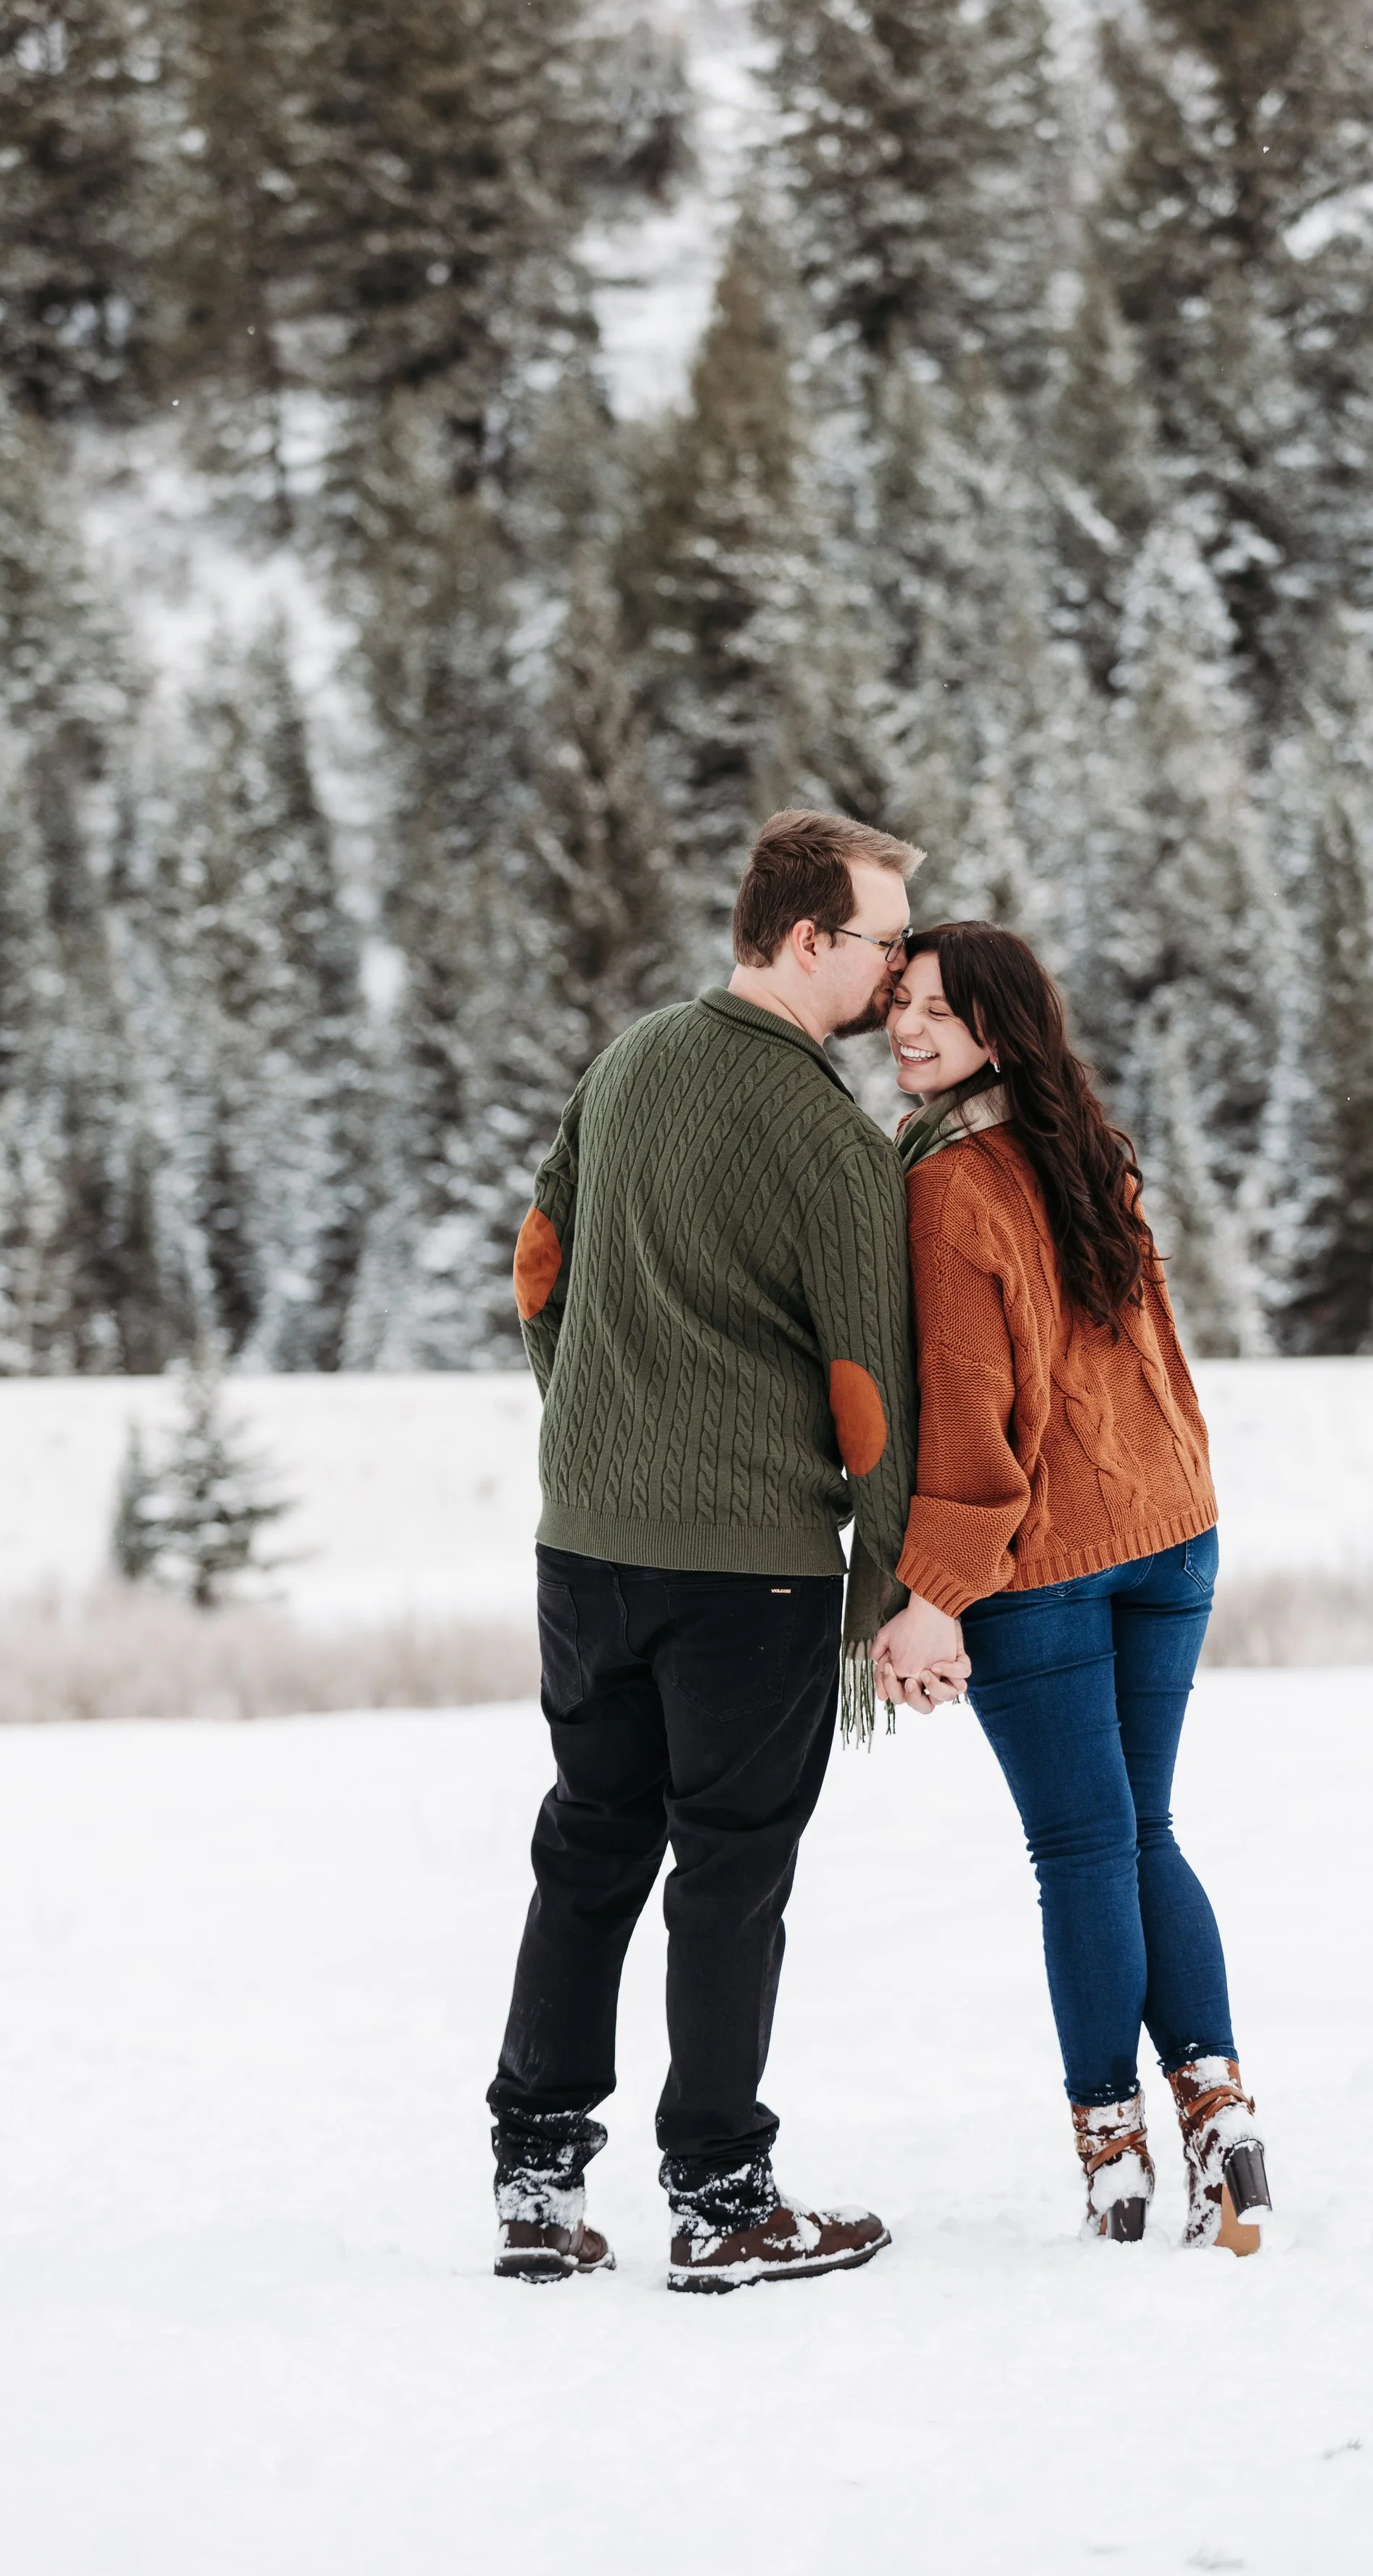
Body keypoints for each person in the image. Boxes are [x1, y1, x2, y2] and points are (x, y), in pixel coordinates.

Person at [489, 810, 925, 2292]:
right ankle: (721, 2198)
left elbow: (537, 1259)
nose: (895, 968)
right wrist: (882, 1601)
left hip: (583, 1549)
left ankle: (536, 2184)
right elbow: (874, 1396)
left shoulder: (628, 1061)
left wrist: (592, 1426)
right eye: (880, 941)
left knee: (587, 1847)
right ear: (810, 941)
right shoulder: (826, 1137)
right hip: (750, 1570)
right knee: (727, 1875)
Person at [872, 923, 1271, 2255]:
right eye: (899, 1004)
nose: (907, 1029)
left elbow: (976, 1415)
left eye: (936, 1008)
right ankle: (1223, 2114)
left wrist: (931, 1590)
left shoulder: (946, 1183)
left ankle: (1113, 2148)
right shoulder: (1090, 1145)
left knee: (1085, 1848)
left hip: (1046, 1557)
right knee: (1142, 1828)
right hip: (1173, 1526)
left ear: (999, 1027)